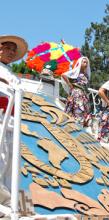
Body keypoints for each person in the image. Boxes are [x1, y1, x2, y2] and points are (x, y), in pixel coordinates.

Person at [0, 35, 28, 209]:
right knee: (0, 160)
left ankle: (16, 205)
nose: (10, 52)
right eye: (7, 48)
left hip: (13, 120)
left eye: (13, 50)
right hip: (0, 116)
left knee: (13, 163)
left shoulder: (11, 73)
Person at [61, 57, 91, 126]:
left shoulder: (86, 75)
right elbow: (63, 75)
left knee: (82, 112)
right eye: (84, 62)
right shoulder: (76, 72)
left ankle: (78, 126)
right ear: (80, 63)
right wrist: (69, 84)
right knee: (76, 110)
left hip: (83, 95)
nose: (86, 64)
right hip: (76, 94)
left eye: (86, 62)